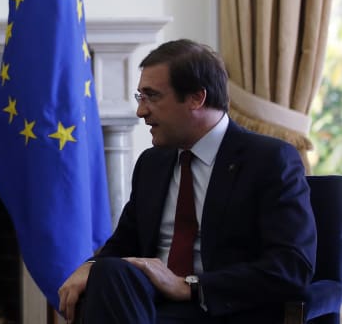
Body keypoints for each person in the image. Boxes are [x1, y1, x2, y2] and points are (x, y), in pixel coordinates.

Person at [57, 39, 316, 324]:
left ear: (196, 98)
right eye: (140, 97)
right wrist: (91, 266)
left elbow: (292, 267)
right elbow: (122, 245)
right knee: (108, 273)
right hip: (145, 308)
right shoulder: (152, 164)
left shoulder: (269, 160)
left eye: (152, 96)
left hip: (221, 309)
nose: (141, 111)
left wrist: (190, 286)